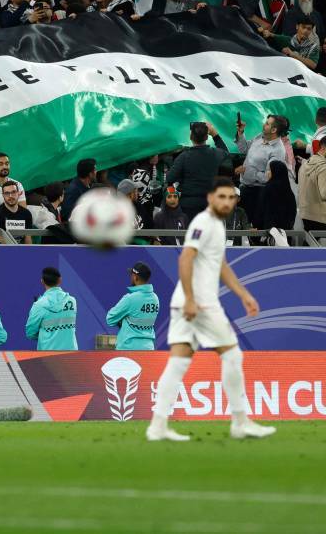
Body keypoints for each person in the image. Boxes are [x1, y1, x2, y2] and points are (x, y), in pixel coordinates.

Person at [147, 177, 274, 442]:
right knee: (232, 355)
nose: (227, 202)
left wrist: (243, 294)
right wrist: (192, 299)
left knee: (179, 361)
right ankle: (240, 422)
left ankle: (157, 425)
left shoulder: (217, 225)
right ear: (210, 198)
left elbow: (221, 265)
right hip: (200, 303)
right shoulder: (204, 223)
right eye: (222, 197)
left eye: (231, 198)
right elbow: (185, 258)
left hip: (189, 302)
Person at [165, 121, 230, 222]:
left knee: (192, 235)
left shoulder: (184, 157)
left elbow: (170, 178)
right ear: (206, 137)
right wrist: (214, 134)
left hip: (188, 205)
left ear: (191, 136)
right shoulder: (214, 154)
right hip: (209, 203)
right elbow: (225, 152)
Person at [235, 115, 287, 228]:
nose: (264, 124)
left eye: (267, 123)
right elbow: (244, 148)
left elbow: (269, 178)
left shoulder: (278, 151)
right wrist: (241, 132)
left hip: (259, 194)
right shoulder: (260, 137)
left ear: (274, 130)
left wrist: (249, 171)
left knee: (253, 229)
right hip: (244, 189)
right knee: (242, 226)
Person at [105, 262, 160, 350]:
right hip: (149, 348)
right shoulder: (155, 298)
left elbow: (109, 319)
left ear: (135, 277)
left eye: (131, 275)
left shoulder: (130, 298)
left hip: (128, 349)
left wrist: (122, 319)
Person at [25, 266, 78, 350]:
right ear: (60, 280)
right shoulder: (72, 301)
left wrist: (46, 334)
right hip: (71, 355)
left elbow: (30, 333)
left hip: (47, 356)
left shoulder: (39, 305)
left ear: (42, 281)